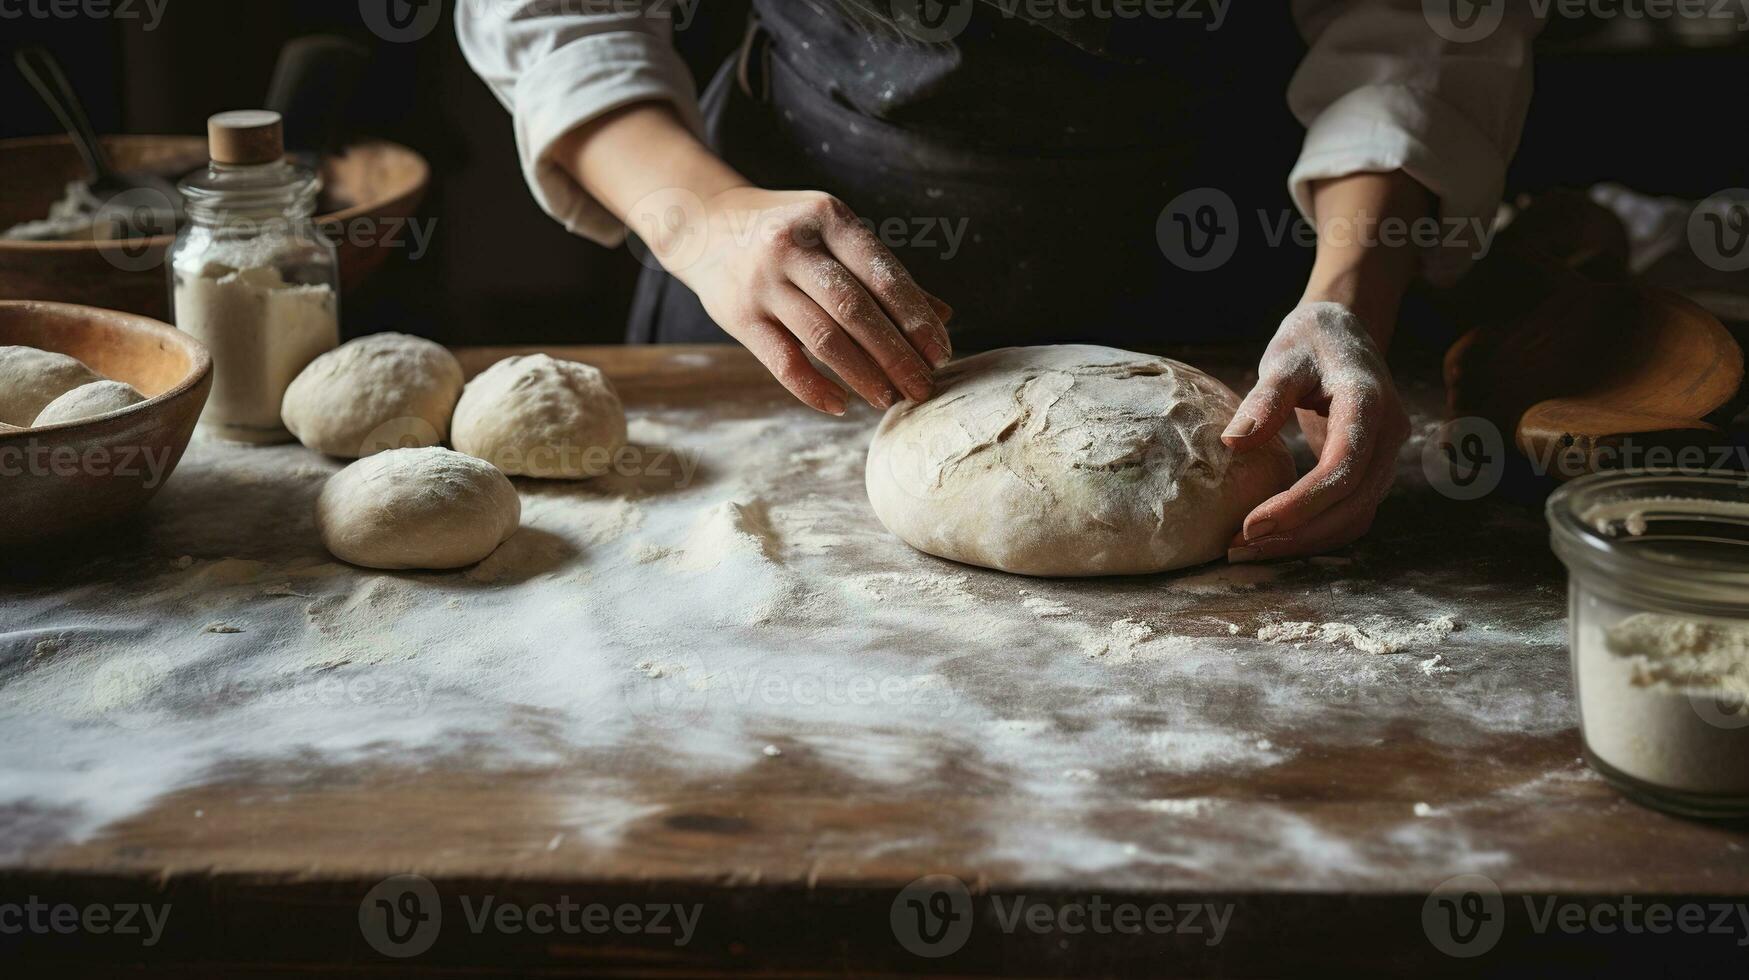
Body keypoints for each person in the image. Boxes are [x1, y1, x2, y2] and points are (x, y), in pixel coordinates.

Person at [459, 1, 1543, 561]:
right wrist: (699, 217)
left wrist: (1345, 297)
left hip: (1226, 265)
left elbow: (1420, 25)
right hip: (787, 273)